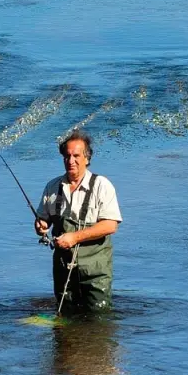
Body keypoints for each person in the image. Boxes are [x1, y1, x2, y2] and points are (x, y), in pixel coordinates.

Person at [35, 130, 122, 313]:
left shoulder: (102, 185)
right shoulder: (52, 187)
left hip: (95, 270)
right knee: (65, 317)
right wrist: (41, 226)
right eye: (67, 156)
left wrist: (74, 237)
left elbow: (110, 225)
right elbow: (44, 219)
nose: (71, 160)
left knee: (99, 318)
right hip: (62, 269)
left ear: (87, 158)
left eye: (76, 156)